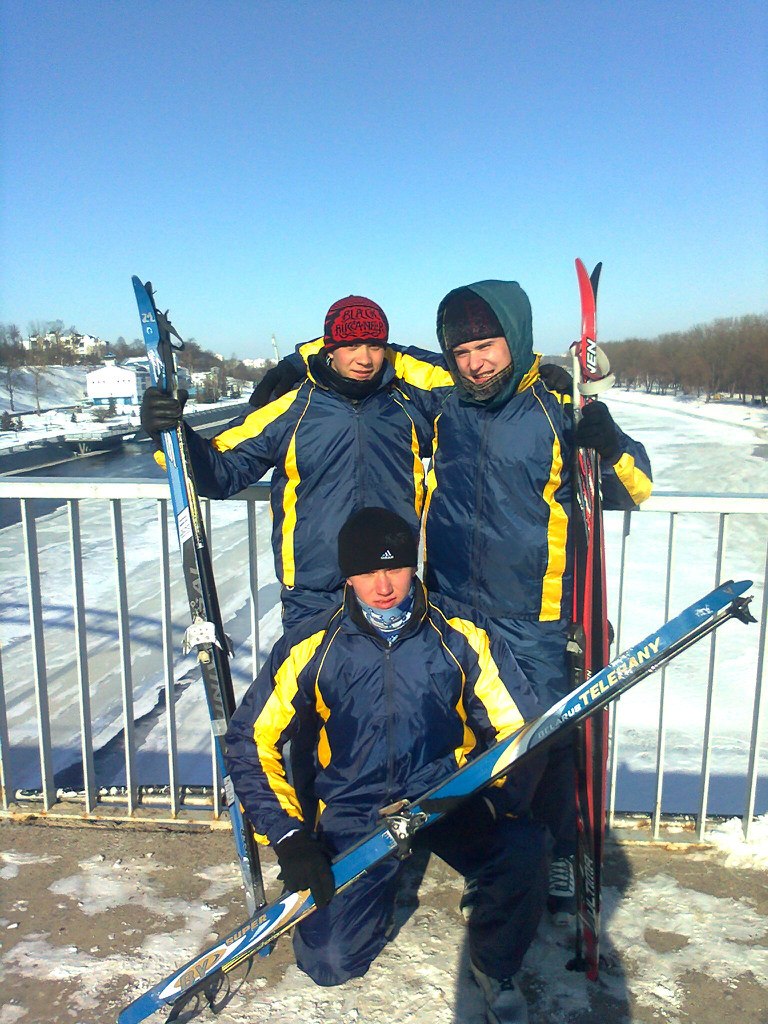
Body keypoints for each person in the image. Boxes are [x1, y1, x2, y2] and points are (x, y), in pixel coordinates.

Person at [255, 278, 653, 919]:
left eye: (488, 346)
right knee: (460, 740)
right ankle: (475, 854)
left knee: (538, 740)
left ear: (514, 342)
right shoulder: (444, 402)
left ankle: (547, 855)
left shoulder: (557, 407)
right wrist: (299, 361)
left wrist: (610, 445)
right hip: (451, 608)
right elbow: (375, 353)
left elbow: (634, 489)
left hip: (534, 612)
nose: (475, 362)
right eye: (462, 351)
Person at [224, 507, 549, 1024]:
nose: (383, 587)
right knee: (331, 963)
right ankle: (369, 891)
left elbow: (523, 730)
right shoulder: (312, 644)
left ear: (413, 567)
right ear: (347, 575)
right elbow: (248, 741)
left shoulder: (463, 634)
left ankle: (495, 962)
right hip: (356, 808)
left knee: (525, 847)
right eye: (367, 572)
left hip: (444, 797)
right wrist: (289, 838)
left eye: (395, 568)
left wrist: (494, 800)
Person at [139, 296, 441, 636]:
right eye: (351, 344)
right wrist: (167, 433)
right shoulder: (289, 410)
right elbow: (221, 474)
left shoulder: (406, 405)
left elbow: (463, 377)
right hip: (315, 592)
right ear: (329, 348)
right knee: (315, 689)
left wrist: (299, 358)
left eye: (374, 345)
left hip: (392, 587)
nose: (364, 358)